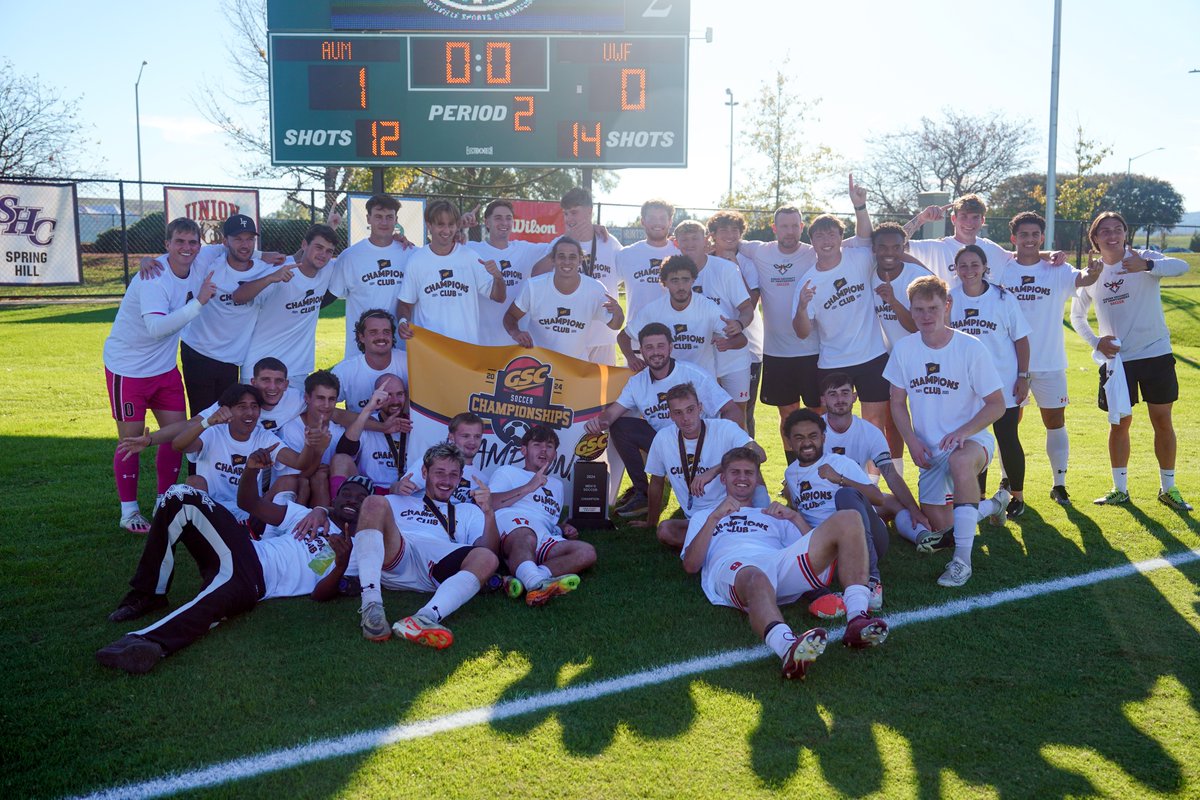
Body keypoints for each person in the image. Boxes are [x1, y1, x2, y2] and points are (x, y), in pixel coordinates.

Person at [96, 477, 370, 674]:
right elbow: (249, 503)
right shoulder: (309, 515)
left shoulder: (358, 553)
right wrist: (251, 468)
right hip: (244, 549)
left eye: (361, 499)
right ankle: (149, 593)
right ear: (335, 498)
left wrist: (340, 563)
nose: (352, 501)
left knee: (213, 601)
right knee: (179, 496)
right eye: (347, 493)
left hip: (255, 581)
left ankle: (147, 642)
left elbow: (319, 594)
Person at [681, 448, 889, 680]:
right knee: (756, 576)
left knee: (849, 518)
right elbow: (691, 565)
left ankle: (857, 620)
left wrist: (794, 518)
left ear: (757, 478)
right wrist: (714, 518)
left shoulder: (772, 514)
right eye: (735, 472)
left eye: (749, 473)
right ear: (723, 478)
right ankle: (787, 647)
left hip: (776, 561)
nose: (742, 478)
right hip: (734, 566)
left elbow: (820, 553)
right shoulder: (705, 516)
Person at [883, 276, 1006, 587]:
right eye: (919, 309)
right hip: (929, 450)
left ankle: (961, 563)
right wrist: (911, 442)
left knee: (960, 462)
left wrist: (963, 432)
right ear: (910, 310)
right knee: (942, 528)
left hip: (971, 441)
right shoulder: (904, 349)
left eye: (933, 308)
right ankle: (994, 504)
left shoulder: (970, 348)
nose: (926, 316)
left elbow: (996, 405)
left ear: (947, 305)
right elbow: (897, 403)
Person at [739, 177, 873, 460]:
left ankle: (821, 466)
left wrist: (860, 206)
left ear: (802, 227)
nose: (789, 231)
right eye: (783, 225)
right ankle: (793, 472)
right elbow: (728, 242)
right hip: (776, 351)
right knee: (787, 416)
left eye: (794, 225)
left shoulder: (816, 250)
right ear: (775, 228)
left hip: (813, 351)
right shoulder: (759, 251)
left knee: (817, 414)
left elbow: (864, 239)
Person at [1070, 211, 1191, 510]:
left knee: (1162, 420)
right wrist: (1096, 341)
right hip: (1117, 362)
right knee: (1119, 424)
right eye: (1104, 231)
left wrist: (1148, 265)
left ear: (1125, 233)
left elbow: (1182, 266)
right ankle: (1119, 489)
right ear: (1095, 239)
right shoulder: (1092, 274)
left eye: (1117, 229)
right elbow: (1077, 316)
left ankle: (1169, 488)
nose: (1112, 235)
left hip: (1156, 352)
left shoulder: (1143, 257)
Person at [103, 217, 216, 532]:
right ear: (167, 244)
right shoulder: (154, 276)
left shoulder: (199, 260)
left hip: (164, 369)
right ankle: (129, 512)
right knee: (131, 439)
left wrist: (272, 258)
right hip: (129, 368)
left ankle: (163, 501)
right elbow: (155, 329)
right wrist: (200, 303)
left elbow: (234, 246)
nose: (187, 248)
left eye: (192, 242)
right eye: (179, 241)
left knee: (177, 435)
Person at [334, 442, 501, 646]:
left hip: (439, 563)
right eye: (439, 472)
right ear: (424, 472)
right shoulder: (397, 500)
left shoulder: (468, 510)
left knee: (487, 557)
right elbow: (358, 521)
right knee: (373, 502)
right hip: (399, 555)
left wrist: (489, 512)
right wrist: (320, 510)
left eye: (453, 475)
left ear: (460, 477)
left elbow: (490, 550)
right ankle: (372, 606)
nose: (446, 481)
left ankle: (425, 618)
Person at [997, 212, 1101, 505]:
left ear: (1041, 238)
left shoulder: (1057, 269)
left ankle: (1060, 483)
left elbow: (1083, 277)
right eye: (1023, 235)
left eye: (1035, 235)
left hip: (1049, 362)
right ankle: (1008, 479)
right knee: (1008, 425)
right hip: (1010, 365)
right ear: (1014, 239)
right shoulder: (1002, 270)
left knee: (1054, 421)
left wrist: (1094, 271)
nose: (1029, 239)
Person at [586, 323, 740, 517]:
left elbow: (732, 410)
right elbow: (612, 414)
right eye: (649, 347)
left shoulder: (693, 375)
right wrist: (599, 422)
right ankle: (642, 493)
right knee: (620, 426)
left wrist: (726, 444)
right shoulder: (637, 382)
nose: (655, 352)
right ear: (641, 350)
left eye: (660, 346)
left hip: (701, 443)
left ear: (670, 347)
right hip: (665, 444)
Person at [792, 214, 895, 436]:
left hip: (872, 356)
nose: (826, 240)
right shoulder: (808, 282)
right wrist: (801, 308)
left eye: (831, 234)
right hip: (834, 362)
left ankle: (871, 473)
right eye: (819, 236)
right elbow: (802, 332)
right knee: (835, 426)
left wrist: (860, 206)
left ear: (841, 237)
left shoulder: (858, 258)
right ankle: (839, 469)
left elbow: (872, 238)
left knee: (874, 424)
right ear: (812, 242)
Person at [949, 245, 1030, 519]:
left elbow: (1021, 339)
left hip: (1003, 383)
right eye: (963, 265)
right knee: (971, 443)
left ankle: (1017, 496)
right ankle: (979, 497)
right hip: (967, 389)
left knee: (1007, 439)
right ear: (955, 269)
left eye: (975, 264)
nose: (969, 270)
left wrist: (1023, 376)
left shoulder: (1003, 297)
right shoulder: (950, 299)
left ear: (985, 267)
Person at [817, 373, 932, 558]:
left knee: (895, 502)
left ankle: (924, 537)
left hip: (857, 495)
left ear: (854, 397)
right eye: (833, 394)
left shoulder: (870, 432)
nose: (840, 399)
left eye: (845, 393)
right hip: (821, 499)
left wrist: (913, 508)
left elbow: (890, 473)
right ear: (823, 399)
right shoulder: (814, 431)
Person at [172, 383, 324, 523]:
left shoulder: (263, 437)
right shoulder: (213, 431)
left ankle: (270, 535)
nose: (250, 413)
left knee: (288, 481)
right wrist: (206, 423)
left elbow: (299, 463)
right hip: (212, 510)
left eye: (254, 406)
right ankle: (204, 533)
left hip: (248, 510)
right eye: (242, 407)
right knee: (194, 481)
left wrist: (309, 446)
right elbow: (178, 445)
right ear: (227, 410)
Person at [783, 409, 888, 611]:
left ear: (823, 437)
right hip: (830, 546)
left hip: (869, 538)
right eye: (799, 437)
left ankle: (872, 580)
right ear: (789, 441)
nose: (807, 443)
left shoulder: (840, 463)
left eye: (813, 436)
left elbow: (878, 498)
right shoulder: (791, 473)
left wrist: (840, 479)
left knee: (845, 495)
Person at [642, 383, 764, 548]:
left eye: (690, 409)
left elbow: (759, 454)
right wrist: (651, 523)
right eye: (678, 413)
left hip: (732, 510)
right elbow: (656, 481)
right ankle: (725, 540)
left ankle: (762, 520)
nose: (686, 418)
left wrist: (714, 470)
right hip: (697, 519)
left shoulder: (723, 428)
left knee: (750, 469)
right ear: (670, 415)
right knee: (665, 530)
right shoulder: (663, 439)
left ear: (700, 408)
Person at [179, 214, 279, 415]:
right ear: (225, 241)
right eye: (238, 239)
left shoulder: (265, 271)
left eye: (250, 239)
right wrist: (148, 261)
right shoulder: (210, 263)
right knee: (202, 419)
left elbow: (300, 261)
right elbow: (179, 256)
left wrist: (260, 256)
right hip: (199, 352)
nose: (245, 244)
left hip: (231, 360)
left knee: (227, 418)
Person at [490, 426, 597, 606]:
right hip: (514, 528)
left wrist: (562, 528)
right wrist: (529, 487)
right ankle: (535, 584)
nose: (543, 450)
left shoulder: (556, 484)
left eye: (549, 446)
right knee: (526, 535)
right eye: (537, 445)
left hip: (543, 534)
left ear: (555, 453)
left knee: (587, 552)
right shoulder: (507, 471)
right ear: (524, 450)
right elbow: (490, 503)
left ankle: (531, 577)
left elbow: (547, 519)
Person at [234, 224, 338, 383]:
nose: (323, 254)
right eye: (318, 247)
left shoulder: (328, 270)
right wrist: (269, 278)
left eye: (329, 251)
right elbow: (238, 297)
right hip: (260, 367)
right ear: (304, 245)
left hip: (298, 368)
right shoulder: (279, 270)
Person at [531, 188, 624, 363]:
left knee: (601, 389)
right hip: (568, 332)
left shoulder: (608, 242)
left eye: (574, 212)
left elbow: (623, 275)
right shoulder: (560, 243)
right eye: (566, 214)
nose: (569, 219)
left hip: (603, 334)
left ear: (589, 212)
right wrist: (565, 239)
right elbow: (537, 274)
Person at [672, 219, 755, 412]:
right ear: (676, 243)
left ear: (707, 240)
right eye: (685, 240)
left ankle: (739, 444)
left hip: (732, 356)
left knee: (736, 413)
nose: (690, 244)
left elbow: (747, 308)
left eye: (695, 238)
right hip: (696, 358)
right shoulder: (672, 272)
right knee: (702, 415)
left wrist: (739, 324)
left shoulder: (726, 269)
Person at [396, 200, 506, 346]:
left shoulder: (471, 257)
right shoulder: (417, 261)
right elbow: (405, 304)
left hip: (466, 351)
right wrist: (403, 321)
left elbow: (499, 297)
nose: (447, 231)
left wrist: (498, 278)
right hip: (430, 350)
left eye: (451, 225)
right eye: (440, 224)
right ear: (429, 225)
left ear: (457, 226)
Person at [869, 221, 932, 471]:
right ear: (873, 249)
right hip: (885, 358)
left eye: (896, 247)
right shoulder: (868, 272)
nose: (889, 253)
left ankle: (934, 473)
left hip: (920, 357)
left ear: (903, 248)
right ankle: (896, 478)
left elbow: (919, 326)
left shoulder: (916, 278)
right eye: (882, 247)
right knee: (891, 420)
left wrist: (893, 301)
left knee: (924, 419)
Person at [903, 193, 1063, 286]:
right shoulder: (936, 248)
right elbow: (895, 245)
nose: (969, 223)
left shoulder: (992, 249)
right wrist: (922, 218)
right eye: (963, 217)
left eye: (975, 217)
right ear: (953, 219)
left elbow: (1020, 256)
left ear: (982, 221)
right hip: (947, 329)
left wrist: (1049, 254)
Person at [504, 236, 623, 360]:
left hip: (575, 369)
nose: (567, 262)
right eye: (561, 256)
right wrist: (515, 332)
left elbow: (615, 324)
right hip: (538, 367)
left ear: (580, 260)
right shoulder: (533, 287)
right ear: (553, 260)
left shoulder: (595, 290)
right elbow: (510, 316)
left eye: (572, 257)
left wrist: (618, 313)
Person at [621, 255, 741, 378]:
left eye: (685, 280)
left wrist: (729, 343)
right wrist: (631, 358)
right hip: (667, 381)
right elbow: (623, 337)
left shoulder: (708, 307)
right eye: (674, 281)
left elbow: (741, 339)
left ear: (693, 280)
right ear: (664, 282)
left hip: (702, 381)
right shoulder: (653, 310)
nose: (681, 287)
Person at [327, 194, 411, 359]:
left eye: (389, 217)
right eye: (378, 217)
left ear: (396, 219)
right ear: (368, 218)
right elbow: (329, 295)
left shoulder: (410, 254)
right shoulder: (350, 256)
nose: (384, 222)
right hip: (360, 353)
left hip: (401, 350)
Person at [708, 210, 766, 436]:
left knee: (744, 412)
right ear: (713, 234)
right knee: (712, 408)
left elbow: (751, 302)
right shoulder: (705, 261)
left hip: (748, 347)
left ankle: (747, 460)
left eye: (735, 230)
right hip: (712, 349)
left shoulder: (748, 264)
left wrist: (735, 268)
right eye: (723, 230)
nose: (730, 235)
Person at [466, 199, 552, 346]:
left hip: (518, 341)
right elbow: (441, 245)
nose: (504, 223)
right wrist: (460, 224)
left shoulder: (525, 250)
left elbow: (560, 245)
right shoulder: (472, 249)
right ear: (487, 223)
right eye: (498, 218)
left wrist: (590, 228)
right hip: (483, 341)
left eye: (508, 218)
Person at [273, 370, 346, 508]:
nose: (326, 405)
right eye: (320, 398)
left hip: (324, 492)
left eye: (331, 399)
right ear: (307, 398)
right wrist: (318, 452)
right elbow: (294, 480)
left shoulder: (338, 430)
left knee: (320, 477)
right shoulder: (291, 429)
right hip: (291, 496)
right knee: (317, 478)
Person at [331, 376, 411, 494]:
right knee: (340, 460)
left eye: (399, 394)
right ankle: (338, 507)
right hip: (370, 493)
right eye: (388, 395)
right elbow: (344, 451)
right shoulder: (367, 423)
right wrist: (369, 409)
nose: (395, 401)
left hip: (408, 492)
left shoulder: (416, 424)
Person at [395, 412, 490, 504]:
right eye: (465, 436)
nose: (472, 442)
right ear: (451, 437)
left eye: (477, 436)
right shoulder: (432, 461)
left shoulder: (482, 481)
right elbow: (397, 491)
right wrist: (398, 487)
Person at [330, 309, 409, 413]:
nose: (381, 337)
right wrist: (374, 424)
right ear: (361, 337)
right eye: (373, 332)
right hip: (361, 428)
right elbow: (322, 408)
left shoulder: (408, 362)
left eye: (386, 332)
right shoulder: (344, 371)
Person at [615, 198, 677, 321]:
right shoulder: (627, 254)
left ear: (670, 222)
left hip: (673, 333)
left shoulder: (680, 253)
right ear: (643, 221)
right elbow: (606, 285)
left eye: (662, 218)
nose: (657, 223)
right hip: (637, 334)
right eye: (652, 218)